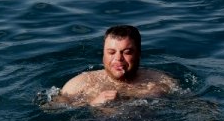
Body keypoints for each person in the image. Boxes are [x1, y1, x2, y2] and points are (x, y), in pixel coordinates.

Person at [50, 25, 178, 107]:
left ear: (138, 54)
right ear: (103, 54)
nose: (118, 58)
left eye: (126, 52)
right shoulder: (81, 84)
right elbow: (52, 109)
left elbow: (189, 106)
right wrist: (92, 103)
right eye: (111, 52)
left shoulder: (160, 81)